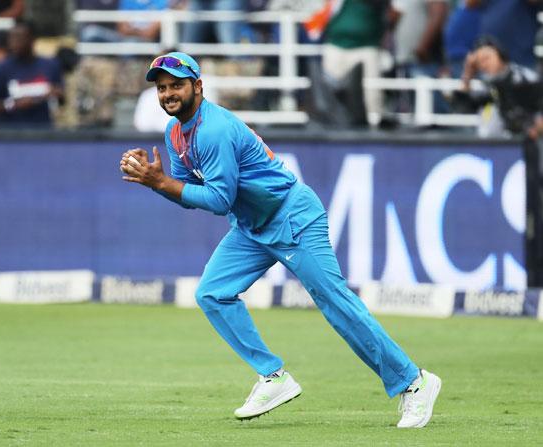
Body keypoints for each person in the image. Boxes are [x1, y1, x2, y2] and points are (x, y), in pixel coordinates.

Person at [119, 51, 442, 427]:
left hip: (291, 216)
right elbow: (189, 194)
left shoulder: (215, 129)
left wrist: (162, 183)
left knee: (336, 305)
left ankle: (414, 383)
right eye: (162, 88)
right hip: (251, 226)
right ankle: (273, 376)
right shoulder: (175, 133)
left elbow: (219, 200)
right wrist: (155, 182)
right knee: (212, 292)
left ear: (198, 86)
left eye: (176, 85)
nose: (168, 94)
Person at [0, 20, 64, 127]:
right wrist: (13, 104)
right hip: (13, 134)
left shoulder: (50, 65)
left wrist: (56, 92)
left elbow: (62, 99)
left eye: (19, 38)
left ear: (32, 39)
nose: (14, 42)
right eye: (11, 38)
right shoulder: (2, 68)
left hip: (43, 132)